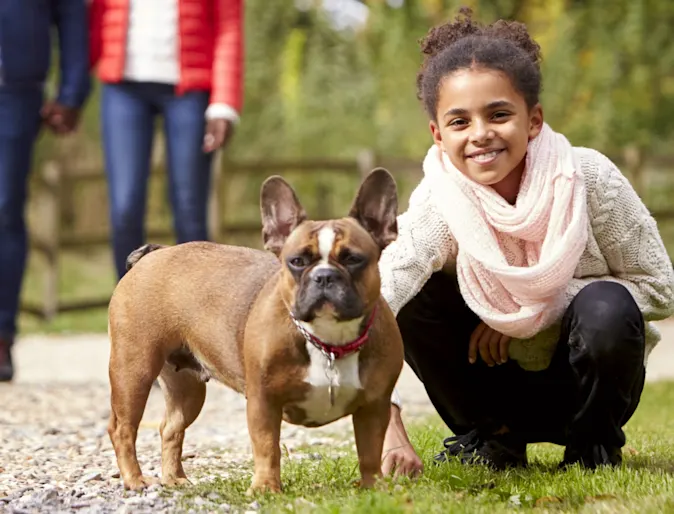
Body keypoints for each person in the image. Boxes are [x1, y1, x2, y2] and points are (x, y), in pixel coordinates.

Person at [379, 7, 674, 476]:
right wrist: (386, 417)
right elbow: (379, 298)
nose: (480, 134)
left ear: (533, 119)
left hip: (584, 385)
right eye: (459, 122)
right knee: (416, 294)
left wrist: (530, 314)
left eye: (498, 114)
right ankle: (493, 440)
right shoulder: (439, 200)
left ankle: (592, 449)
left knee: (607, 304)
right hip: (491, 382)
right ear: (437, 135)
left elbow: (659, 287)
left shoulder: (589, 178)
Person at [89, 0, 243, 279]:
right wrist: (70, 88)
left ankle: (197, 310)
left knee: (190, 210)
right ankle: (129, 310)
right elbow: (91, 15)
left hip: (190, 91)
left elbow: (228, 24)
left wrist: (225, 103)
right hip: (122, 89)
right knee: (124, 208)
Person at [0, 1, 91, 382]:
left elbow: (71, 12)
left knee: (4, 206)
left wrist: (71, 92)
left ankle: (1, 335)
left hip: (15, 93)